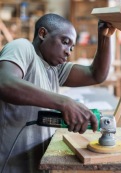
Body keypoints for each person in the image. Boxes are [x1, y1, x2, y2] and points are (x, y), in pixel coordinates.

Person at [0, 13, 115, 173]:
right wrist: (65, 103)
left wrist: (105, 37)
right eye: (65, 42)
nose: (69, 51)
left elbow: (96, 74)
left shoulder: (55, 69)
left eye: (72, 47)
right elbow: (5, 83)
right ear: (43, 34)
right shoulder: (22, 47)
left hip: (37, 163)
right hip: (9, 165)